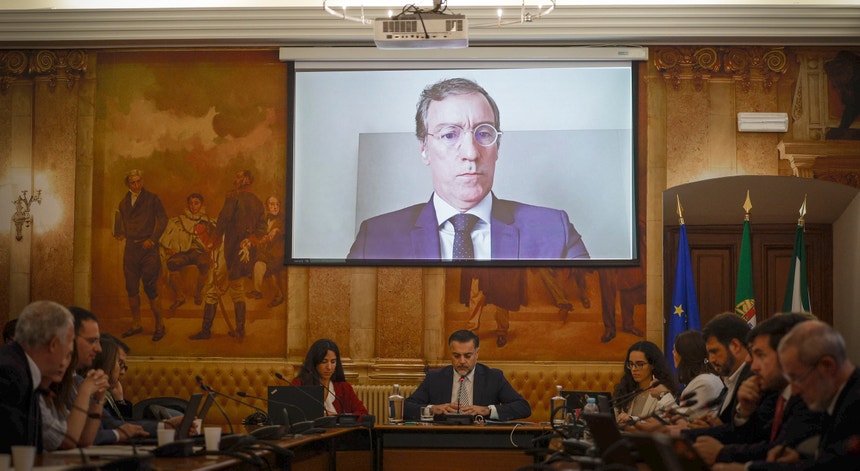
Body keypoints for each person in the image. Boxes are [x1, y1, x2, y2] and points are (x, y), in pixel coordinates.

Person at [347, 77, 589, 261]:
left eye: (484, 133)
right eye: (449, 134)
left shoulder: (553, 231)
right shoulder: (375, 238)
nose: (471, 153)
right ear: (424, 149)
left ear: (497, 147)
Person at [694, 313, 823, 470]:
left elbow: (777, 449)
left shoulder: (812, 396)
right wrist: (745, 413)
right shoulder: (781, 392)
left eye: (760, 354)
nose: (752, 364)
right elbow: (763, 438)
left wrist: (724, 454)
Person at [753, 320, 860, 470]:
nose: (794, 391)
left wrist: (747, 469)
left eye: (797, 378)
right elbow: (836, 458)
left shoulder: (855, 403)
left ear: (827, 366)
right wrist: (801, 458)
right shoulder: (835, 396)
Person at [191, 169, 265, 340]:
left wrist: (213, 242)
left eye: (238, 177)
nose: (235, 180)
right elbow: (261, 229)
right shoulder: (258, 202)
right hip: (243, 253)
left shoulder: (234, 197)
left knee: (213, 288)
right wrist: (250, 240)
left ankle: (206, 331)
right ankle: (240, 330)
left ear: (246, 179)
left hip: (228, 250)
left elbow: (223, 221)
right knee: (237, 289)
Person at [403, 330, 531, 421]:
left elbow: (523, 407)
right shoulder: (435, 378)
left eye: (467, 356)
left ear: (477, 354)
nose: (462, 361)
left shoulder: (493, 377)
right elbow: (406, 407)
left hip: (481, 438)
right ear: (450, 354)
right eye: (456, 356)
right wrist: (432, 409)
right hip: (443, 437)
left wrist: (487, 410)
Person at [0, 301, 74, 453]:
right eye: (69, 348)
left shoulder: (21, 367)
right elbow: (11, 450)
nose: (68, 357)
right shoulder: (9, 374)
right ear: (53, 344)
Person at [114, 169, 168, 341]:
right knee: (131, 289)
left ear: (142, 181)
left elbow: (163, 219)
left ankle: (159, 325)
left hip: (148, 249)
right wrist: (120, 233)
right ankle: (136, 324)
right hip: (131, 250)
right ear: (128, 184)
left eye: (139, 181)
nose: (136, 185)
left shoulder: (152, 199)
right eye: (133, 182)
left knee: (150, 287)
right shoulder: (123, 203)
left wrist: (152, 239)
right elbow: (122, 224)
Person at [40, 337, 110, 451]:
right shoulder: (34, 391)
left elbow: (83, 439)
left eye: (68, 356)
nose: (63, 363)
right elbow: (68, 440)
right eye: (59, 355)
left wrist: (98, 399)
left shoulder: (53, 393)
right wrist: (85, 391)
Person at [159, 192, 216, 310]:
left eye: (196, 203)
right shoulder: (179, 221)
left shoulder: (207, 221)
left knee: (205, 264)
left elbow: (214, 240)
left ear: (201, 204)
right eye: (191, 203)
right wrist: (171, 248)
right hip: (184, 252)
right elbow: (169, 238)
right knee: (172, 263)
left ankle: (198, 293)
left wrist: (210, 246)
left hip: (199, 253)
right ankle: (180, 297)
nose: (193, 206)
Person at [292, 339, 368, 416]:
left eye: (333, 362)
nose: (329, 367)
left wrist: (340, 418)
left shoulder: (344, 388)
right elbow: (291, 414)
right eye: (324, 362)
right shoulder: (299, 385)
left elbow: (363, 413)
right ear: (314, 363)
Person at [613, 340, 678, 427]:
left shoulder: (662, 391)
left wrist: (631, 420)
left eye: (640, 364)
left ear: (652, 365)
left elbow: (665, 423)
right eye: (631, 364)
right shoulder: (625, 389)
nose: (634, 369)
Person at [672, 330, 724, 420]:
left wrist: (663, 395)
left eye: (675, 350)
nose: (673, 353)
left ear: (685, 355)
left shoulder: (703, 383)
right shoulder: (705, 378)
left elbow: (682, 420)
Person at [247, 195, 285, 308]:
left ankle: (278, 296)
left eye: (277, 204)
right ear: (267, 206)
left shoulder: (284, 218)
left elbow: (287, 232)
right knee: (259, 263)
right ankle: (257, 291)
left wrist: (277, 230)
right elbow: (259, 234)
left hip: (280, 253)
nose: (275, 207)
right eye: (272, 204)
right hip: (267, 252)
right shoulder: (264, 219)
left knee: (267, 266)